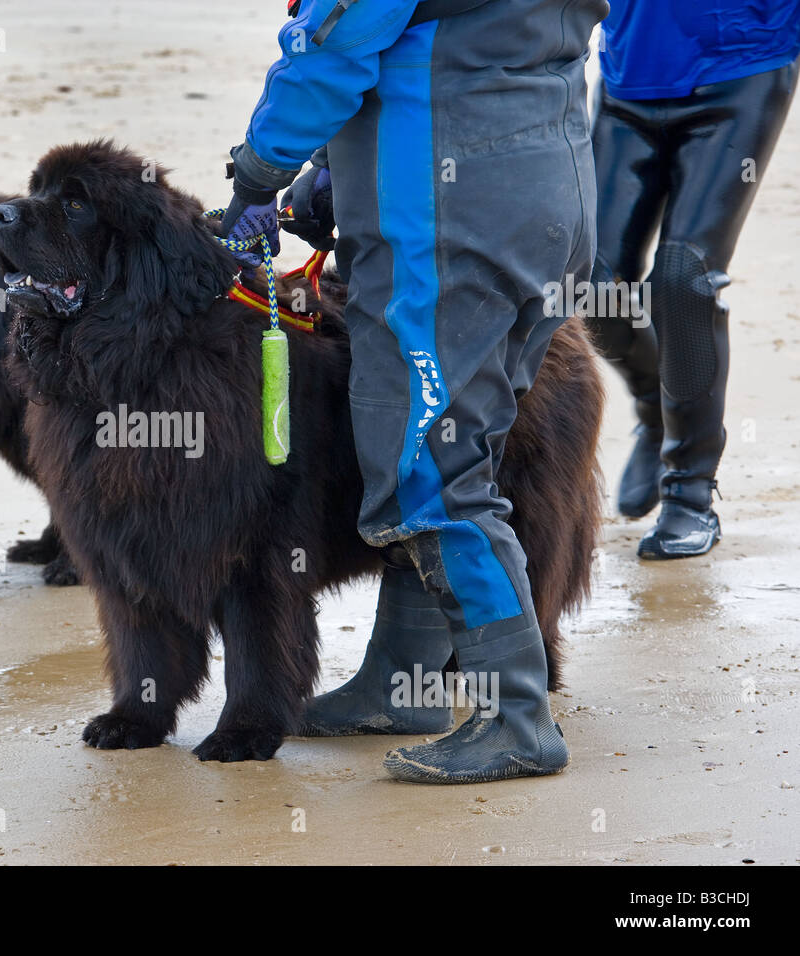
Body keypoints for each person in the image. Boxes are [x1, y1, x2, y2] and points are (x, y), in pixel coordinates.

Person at [219, 0, 606, 783]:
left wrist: (258, 171)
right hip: (547, 199)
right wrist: (332, 185)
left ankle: (516, 716)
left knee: (430, 465)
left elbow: (335, 45)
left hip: (446, 226)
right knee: (472, 443)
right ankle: (406, 681)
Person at [586, 0, 800, 558]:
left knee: (683, 281)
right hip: (626, 73)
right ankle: (659, 407)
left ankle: (689, 494)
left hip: (743, 69)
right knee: (588, 284)